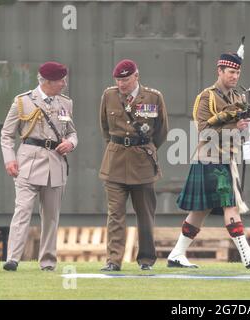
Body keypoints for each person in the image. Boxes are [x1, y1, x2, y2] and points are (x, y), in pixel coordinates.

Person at [166, 51, 250, 269]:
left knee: (200, 211)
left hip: (227, 158)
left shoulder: (238, 97)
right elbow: (204, 129)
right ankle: (248, 257)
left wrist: (246, 128)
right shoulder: (206, 97)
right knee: (231, 205)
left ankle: (176, 254)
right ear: (220, 71)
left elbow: (240, 130)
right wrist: (233, 123)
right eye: (231, 72)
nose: (235, 76)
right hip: (210, 158)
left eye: (238, 72)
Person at [0, 61, 77, 271]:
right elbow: (6, 134)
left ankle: (48, 262)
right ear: (47, 82)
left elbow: (71, 131)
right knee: (22, 210)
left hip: (55, 164)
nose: (64, 83)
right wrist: (9, 159)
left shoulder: (65, 103)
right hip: (28, 163)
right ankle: (13, 259)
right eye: (61, 80)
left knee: (51, 216)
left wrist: (71, 143)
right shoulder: (23, 102)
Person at [99, 59, 169, 271]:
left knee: (145, 215)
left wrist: (143, 147)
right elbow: (104, 128)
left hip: (142, 163)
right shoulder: (109, 96)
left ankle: (146, 260)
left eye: (126, 79)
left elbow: (162, 131)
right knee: (115, 216)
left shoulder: (154, 97)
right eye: (118, 80)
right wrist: (119, 146)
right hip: (115, 163)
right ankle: (113, 261)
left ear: (136, 76)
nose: (121, 84)